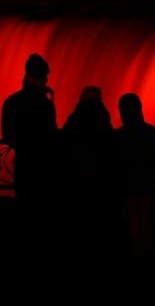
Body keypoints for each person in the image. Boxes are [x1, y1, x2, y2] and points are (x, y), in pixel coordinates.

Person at [1, 53, 58, 259]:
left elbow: (7, 136)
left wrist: (23, 146)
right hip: (44, 166)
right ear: (42, 76)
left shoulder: (12, 102)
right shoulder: (45, 104)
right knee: (42, 212)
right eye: (46, 74)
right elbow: (52, 135)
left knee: (24, 209)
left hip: (24, 164)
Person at [61, 86, 119, 261]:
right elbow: (110, 145)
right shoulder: (103, 118)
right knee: (98, 216)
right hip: (100, 175)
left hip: (77, 173)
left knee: (79, 215)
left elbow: (64, 140)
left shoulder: (75, 118)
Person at [116, 93, 155, 259]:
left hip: (128, 183)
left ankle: (136, 252)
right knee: (144, 217)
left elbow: (117, 162)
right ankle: (147, 250)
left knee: (133, 218)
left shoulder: (119, 135)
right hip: (146, 182)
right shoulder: (150, 131)